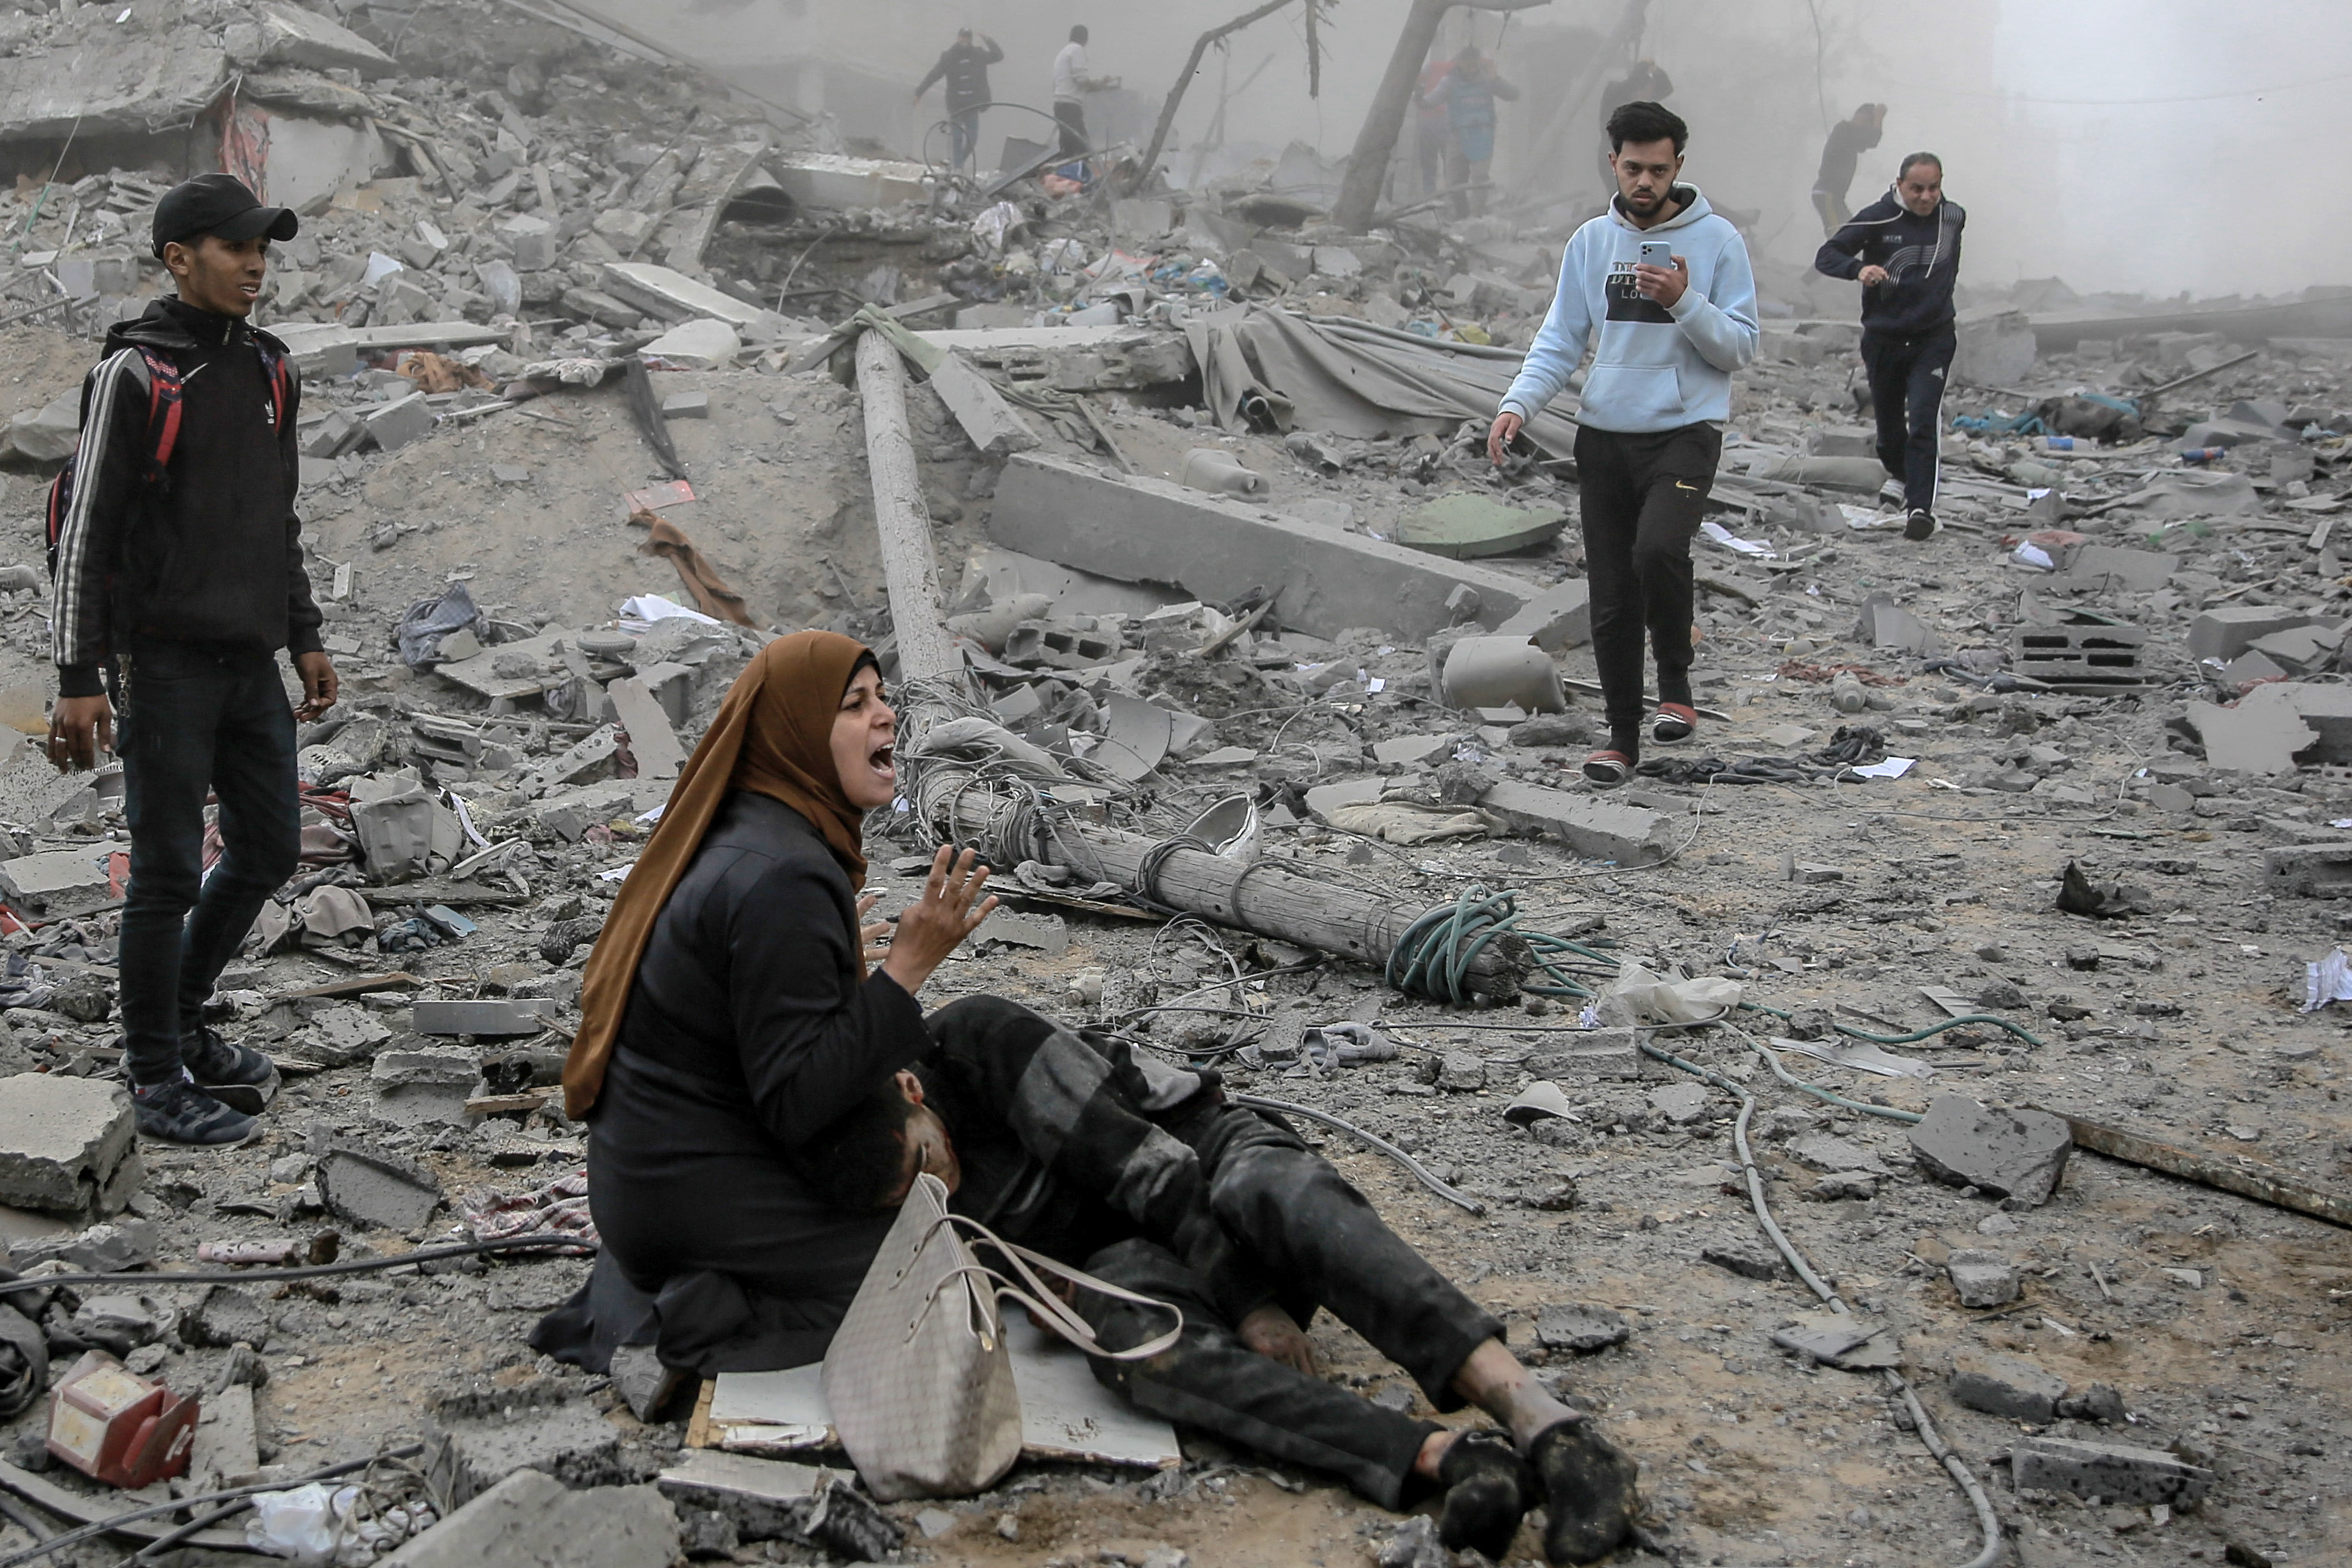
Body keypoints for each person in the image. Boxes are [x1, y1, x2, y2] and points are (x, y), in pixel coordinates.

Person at [794, 1006, 1643, 1565]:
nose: (931, 1193)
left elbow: (1151, 1172)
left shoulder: (977, 1042)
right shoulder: (909, 1184)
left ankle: (1550, 1429)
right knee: (1136, 1346)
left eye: (924, 1163)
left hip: (1208, 1162)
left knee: (1267, 1191)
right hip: (1133, 1252)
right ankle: (1445, 1461)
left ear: (911, 1091)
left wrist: (1253, 1305)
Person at [548, 631, 999, 1377]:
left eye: (882, 698)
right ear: (793, 732)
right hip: (690, 1191)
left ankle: (667, 1282)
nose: (886, 717)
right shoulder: (783, 875)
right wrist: (907, 970)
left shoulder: (756, 831)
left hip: (648, 1174)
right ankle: (688, 1321)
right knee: (941, 1266)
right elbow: (797, 1102)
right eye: (855, 705)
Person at [47, 174, 335, 1146]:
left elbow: (277, 519)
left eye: (264, 247)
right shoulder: (140, 372)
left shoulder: (271, 368)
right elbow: (88, 531)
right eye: (235, 246)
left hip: (249, 657)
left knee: (268, 849)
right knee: (166, 871)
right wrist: (79, 676)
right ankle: (153, 1075)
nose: (257, 263)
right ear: (179, 257)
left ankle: (185, 1017)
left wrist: (305, 632)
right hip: (161, 660)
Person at [1488, 100, 1758, 787]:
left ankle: (1675, 679)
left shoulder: (1719, 241)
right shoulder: (1589, 243)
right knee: (1610, 594)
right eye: (1633, 168)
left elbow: (1741, 348)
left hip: (1686, 430)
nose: (1645, 182)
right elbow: (1560, 339)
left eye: (1658, 170)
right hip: (1605, 433)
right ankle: (1622, 739)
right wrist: (1518, 403)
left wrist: (1684, 300)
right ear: (1613, 163)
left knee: (1659, 549)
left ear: (1679, 168)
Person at [1814, 152, 1965, 541]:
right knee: (1889, 429)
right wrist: (1858, 269)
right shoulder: (1877, 217)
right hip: (1884, 337)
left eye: (1934, 188)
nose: (1926, 197)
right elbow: (1827, 256)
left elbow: (1948, 264)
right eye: (1917, 188)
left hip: (1934, 337)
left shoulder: (1954, 217)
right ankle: (1899, 474)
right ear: (1899, 185)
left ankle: (1920, 508)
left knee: (1924, 418)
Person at [1428, 47, 1519, 218]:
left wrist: (1496, 79)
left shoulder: (1488, 79)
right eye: (1468, 65)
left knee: (1480, 178)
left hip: (1482, 137)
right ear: (1460, 64)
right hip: (1457, 138)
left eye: (1474, 65)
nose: (1472, 69)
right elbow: (1432, 100)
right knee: (1454, 181)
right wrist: (1419, 99)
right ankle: (1462, 216)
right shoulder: (1449, 81)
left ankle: (1476, 217)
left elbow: (1513, 95)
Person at [914, 27, 1003, 175]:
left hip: (973, 105)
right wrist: (919, 92)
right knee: (957, 138)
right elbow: (934, 74)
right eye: (963, 37)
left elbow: (998, 56)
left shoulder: (979, 54)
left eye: (968, 38)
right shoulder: (949, 57)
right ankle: (957, 168)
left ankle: (957, 161)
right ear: (958, 38)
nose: (965, 40)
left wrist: (988, 40)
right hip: (956, 105)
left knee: (972, 140)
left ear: (970, 40)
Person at [1811, 102, 1885, 235]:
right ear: (1858, 116)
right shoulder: (1844, 130)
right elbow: (1872, 139)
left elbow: (1867, 141)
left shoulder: (1850, 139)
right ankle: (1834, 254)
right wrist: (1879, 118)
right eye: (1866, 121)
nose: (1866, 126)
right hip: (1827, 192)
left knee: (1851, 229)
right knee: (1838, 232)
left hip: (1836, 197)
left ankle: (1852, 254)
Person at [1595, 58, 1672, 187]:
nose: (1650, 94)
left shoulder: (1641, 104)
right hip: (1614, 159)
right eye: (1649, 88)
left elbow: (1666, 89)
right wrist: (1643, 68)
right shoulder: (1616, 98)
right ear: (1639, 87)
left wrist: (1655, 70)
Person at [1051, 24, 1117, 164]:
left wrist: (1100, 84)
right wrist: (1101, 85)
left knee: (1068, 150)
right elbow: (1082, 80)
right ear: (1085, 39)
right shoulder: (1077, 50)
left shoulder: (1063, 53)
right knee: (1083, 149)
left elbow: (1074, 81)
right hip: (1070, 107)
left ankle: (1064, 178)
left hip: (1060, 105)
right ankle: (1089, 178)